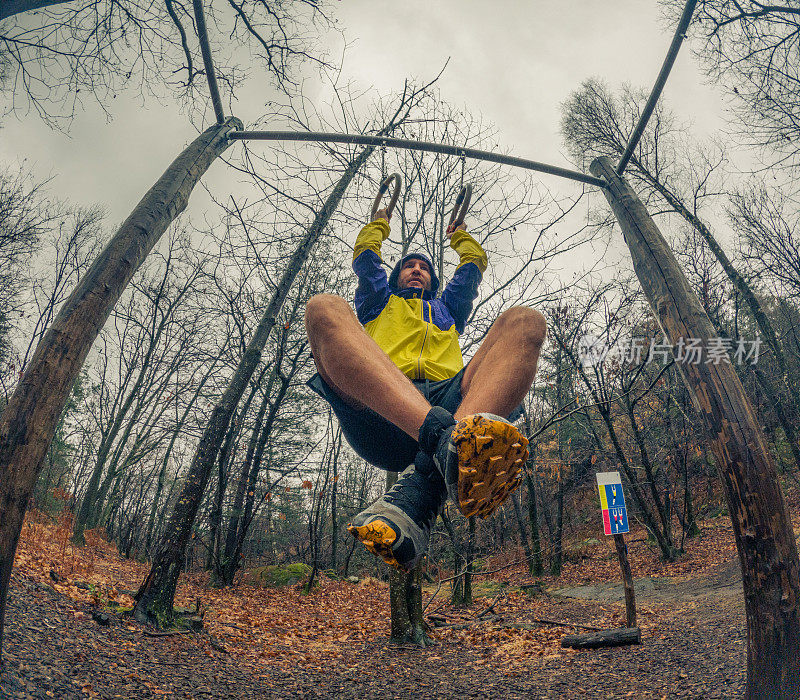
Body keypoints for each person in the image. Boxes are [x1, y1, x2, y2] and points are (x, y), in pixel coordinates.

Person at [305, 205, 546, 570]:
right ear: (395, 276)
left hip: (451, 402)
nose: (417, 269)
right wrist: (379, 225)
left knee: (526, 322)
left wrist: (459, 235)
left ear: (433, 281)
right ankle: (445, 445)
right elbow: (367, 259)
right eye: (409, 265)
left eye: (425, 267)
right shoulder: (378, 302)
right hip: (384, 412)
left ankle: (429, 480)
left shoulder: (448, 308)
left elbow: (472, 266)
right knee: (322, 307)